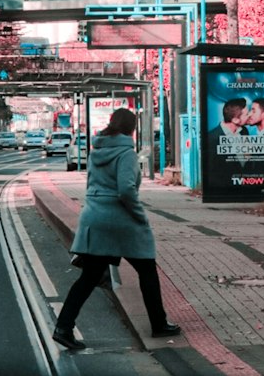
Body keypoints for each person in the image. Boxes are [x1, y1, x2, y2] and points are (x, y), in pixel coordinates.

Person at [53, 107, 180, 351]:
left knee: (89, 277)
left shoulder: (96, 150)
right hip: (121, 220)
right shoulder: (126, 153)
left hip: (95, 218)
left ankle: (63, 327)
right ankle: (159, 323)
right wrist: (139, 215)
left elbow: (91, 184)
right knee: (147, 269)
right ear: (132, 128)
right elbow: (126, 190)